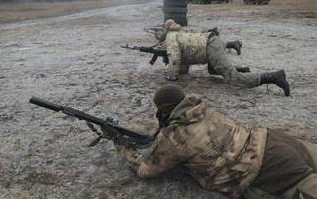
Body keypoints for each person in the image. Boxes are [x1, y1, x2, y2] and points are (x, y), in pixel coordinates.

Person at [104, 85, 317, 199]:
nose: (154, 111)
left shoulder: (174, 137)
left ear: (165, 109)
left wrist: (119, 142)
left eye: (156, 108)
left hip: (267, 170)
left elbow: (144, 170)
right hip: (274, 140)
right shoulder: (202, 110)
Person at [159, 19, 290, 96]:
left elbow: (175, 58)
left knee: (233, 79)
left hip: (210, 47)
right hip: (212, 43)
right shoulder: (179, 32)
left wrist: (171, 74)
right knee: (213, 71)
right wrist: (170, 62)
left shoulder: (170, 38)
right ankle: (240, 69)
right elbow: (183, 67)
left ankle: (273, 77)